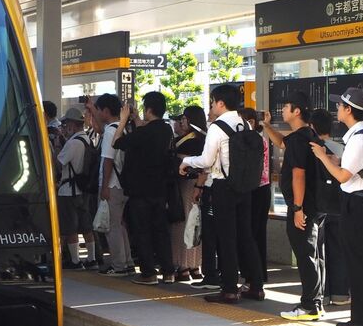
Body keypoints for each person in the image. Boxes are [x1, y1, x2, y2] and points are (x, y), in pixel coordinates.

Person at [310, 87, 363, 326]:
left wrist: (323, 157)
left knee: (360, 263)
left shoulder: (359, 139)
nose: (337, 110)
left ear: (348, 110)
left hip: (357, 205)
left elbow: (344, 177)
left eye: (340, 106)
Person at [180, 84, 265, 303]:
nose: (210, 106)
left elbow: (207, 161)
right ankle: (256, 286)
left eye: (212, 102)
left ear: (220, 103)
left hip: (223, 187)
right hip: (245, 187)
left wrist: (186, 161)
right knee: (246, 235)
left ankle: (228, 289)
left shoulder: (217, 127)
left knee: (226, 238)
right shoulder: (245, 123)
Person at [262, 93, 325, 321]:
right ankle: (316, 301)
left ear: (297, 111)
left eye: (286, 106)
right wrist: (266, 125)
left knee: (305, 254)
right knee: (314, 254)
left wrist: (297, 209)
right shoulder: (307, 135)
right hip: (313, 205)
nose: (283, 110)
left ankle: (309, 305)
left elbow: (299, 175)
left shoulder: (300, 139)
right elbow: (281, 142)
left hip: (303, 206)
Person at [112, 92, 175, 285]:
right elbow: (145, 132)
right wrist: (137, 119)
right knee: (161, 230)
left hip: (140, 189)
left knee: (142, 230)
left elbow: (117, 142)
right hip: (160, 188)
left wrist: (122, 121)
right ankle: (168, 271)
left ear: (148, 109)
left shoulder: (142, 133)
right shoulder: (166, 130)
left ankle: (148, 273)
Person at [89, 94, 134, 276]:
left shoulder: (110, 132)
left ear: (106, 111)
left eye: (99, 110)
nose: (98, 113)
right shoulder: (123, 129)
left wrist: (105, 186)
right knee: (120, 224)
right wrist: (91, 110)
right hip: (124, 184)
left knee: (111, 226)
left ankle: (119, 265)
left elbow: (107, 160)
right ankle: (127, 261)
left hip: (112, 185)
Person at [310, 108, 350, 306]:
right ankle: (341, 294)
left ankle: (322, 294)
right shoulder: (342, 147)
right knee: (338, 249)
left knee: (318, 251)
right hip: (340, 203)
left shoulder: (314, 148)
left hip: (319, 205)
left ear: (311, 127)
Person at [57, 107, 98, 270]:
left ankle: (75, 261)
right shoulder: (88, 140)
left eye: (67, 123)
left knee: (70, 227)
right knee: (86, 226)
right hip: (84, 188)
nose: (65, 126)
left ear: (73, 124)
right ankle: (92, 259)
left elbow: (59, 163)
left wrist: (55, 147)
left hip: (69, 190)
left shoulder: (73, 143)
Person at [169, 106, 207, 281]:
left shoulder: (192, 140)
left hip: (187, 185)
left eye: (184, 118)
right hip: (198, 185)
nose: (181, 121)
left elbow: (184, 161)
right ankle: (194, 265)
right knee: (195, 224)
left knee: (184, 223)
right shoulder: (202, 138)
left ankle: (183, 265)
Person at [240, 107, 271, 286]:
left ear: (250, 122)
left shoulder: (253, 141)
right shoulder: (261, 139)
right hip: (262, 189)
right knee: (257, 233)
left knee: (252, 234)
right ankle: (257, 275)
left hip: (255, 190)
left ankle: (254, 277)